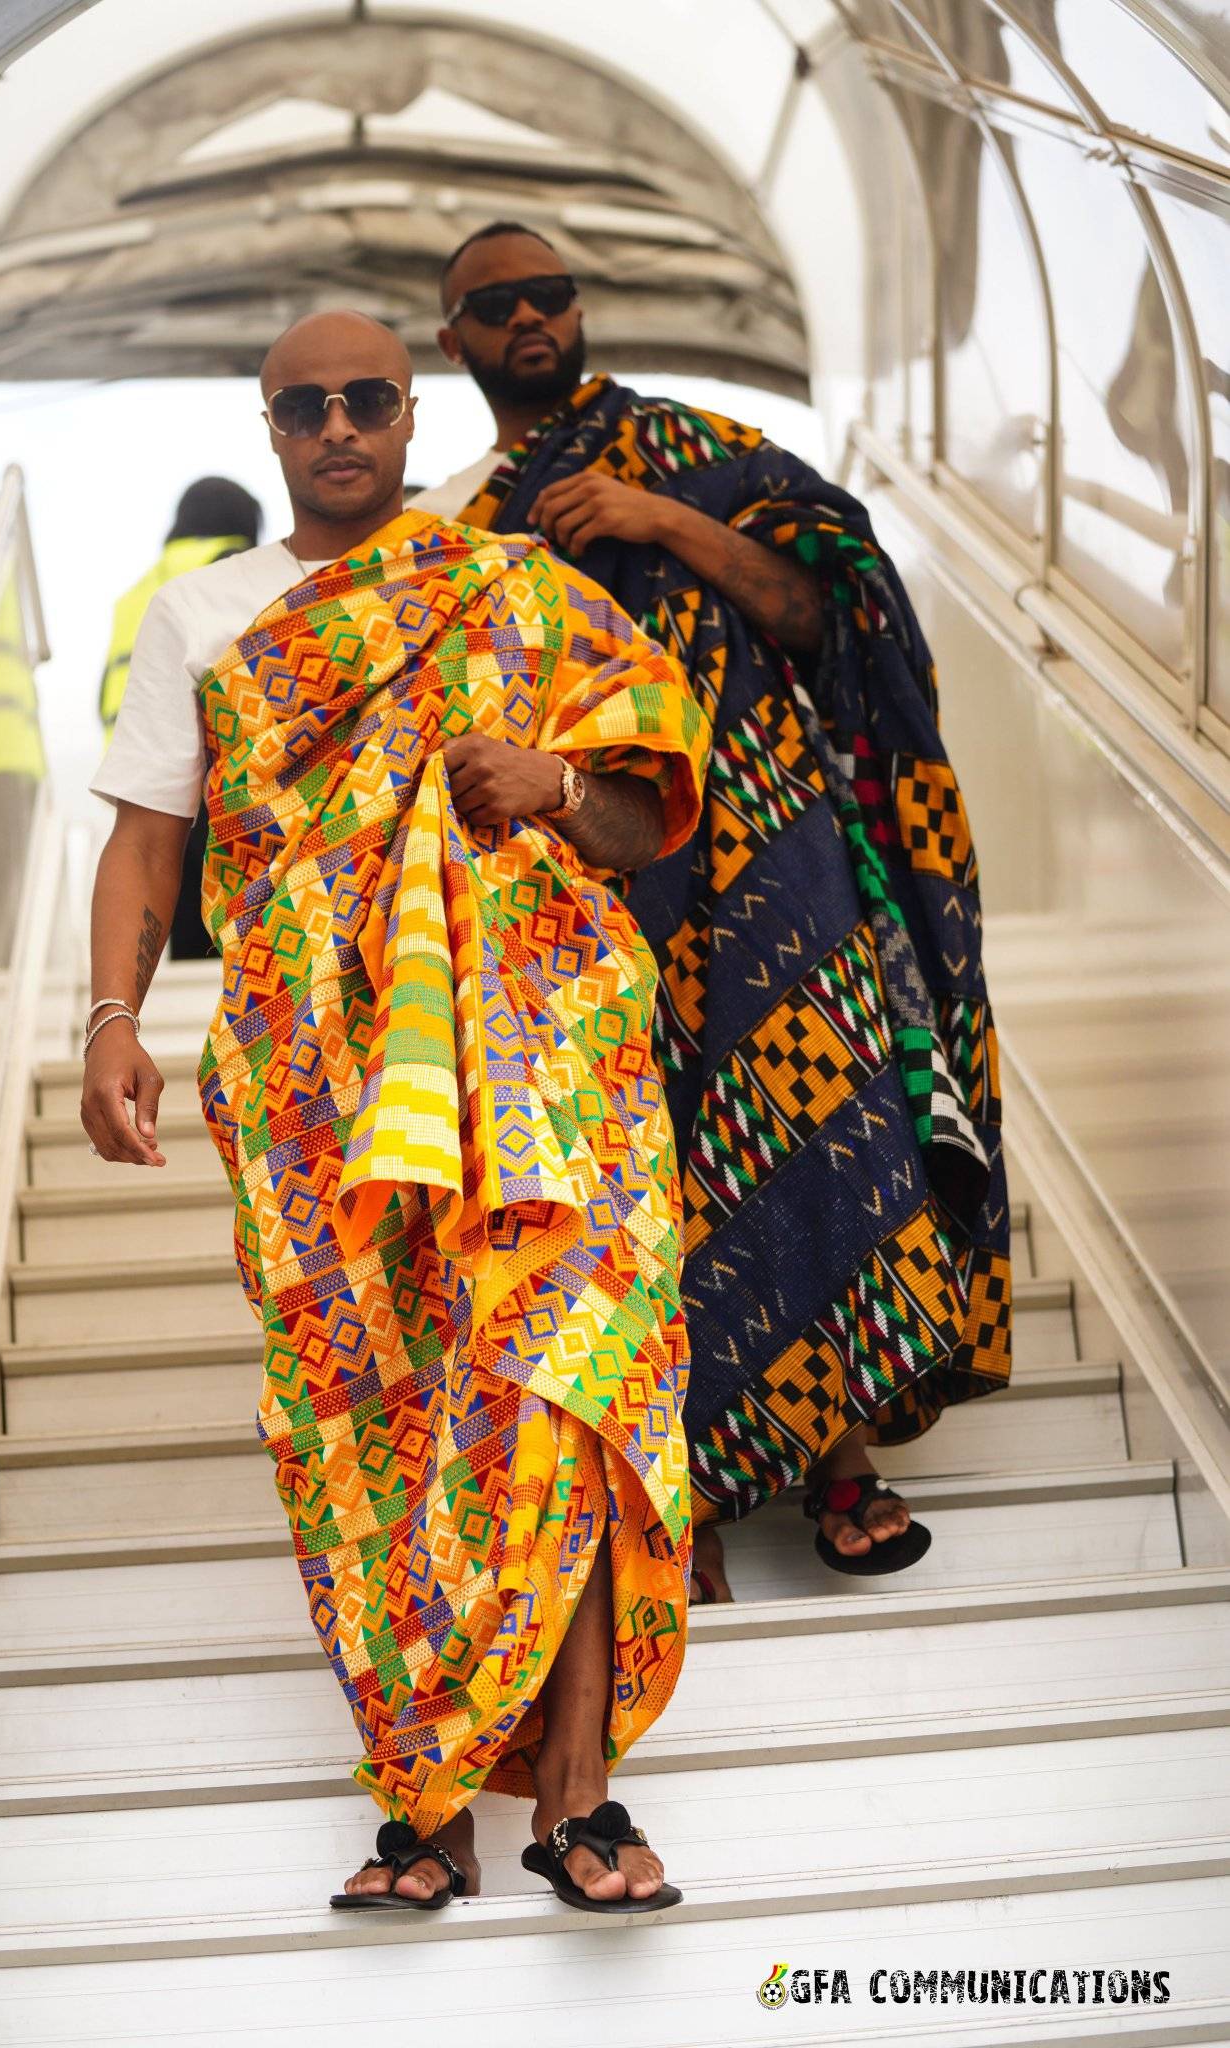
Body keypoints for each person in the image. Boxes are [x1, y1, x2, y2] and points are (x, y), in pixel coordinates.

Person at [83, 311, 710, 1913]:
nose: (338, 425)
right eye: (305, 405)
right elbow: (149, 838)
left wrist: (553, 784)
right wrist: (110, 1019)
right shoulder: (203, 616)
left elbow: (642, 820)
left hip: (542, 1052)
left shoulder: (514, 586)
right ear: (272, 427)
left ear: (412, 412)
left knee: (561, 1377)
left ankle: (578, 1796)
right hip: (315, 1078)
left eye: (367, 397)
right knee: (371, 1424)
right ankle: (424, 1803)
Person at [421, 222, 1012, 1602]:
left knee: (822, 1116)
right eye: (497, 305)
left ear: (580, 309)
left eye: (550, 293)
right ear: (453, 341)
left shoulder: (698, 452)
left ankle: (840, 1456)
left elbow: (835, 618)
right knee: (632, 1163)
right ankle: (671, 1491)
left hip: (769, 843)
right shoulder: (462, 523)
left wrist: (662, 522)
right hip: (581, 868)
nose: (529, 318)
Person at [98, 476, 262, 960]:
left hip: (145, 776)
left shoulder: (139, 592)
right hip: (217, 774)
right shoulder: (233, 569)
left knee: (174, 896)